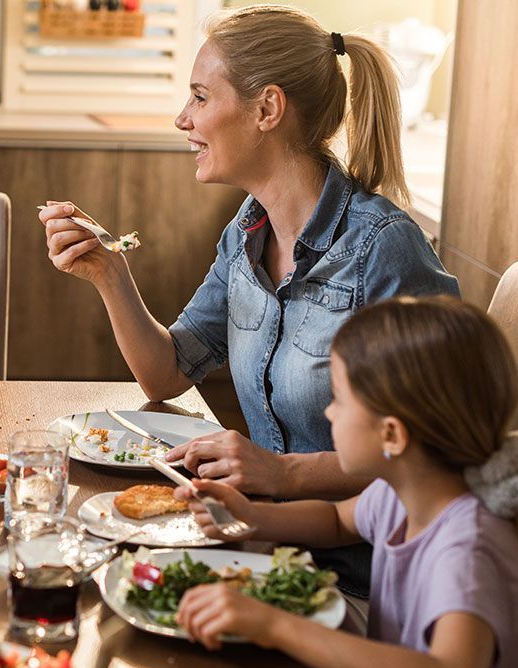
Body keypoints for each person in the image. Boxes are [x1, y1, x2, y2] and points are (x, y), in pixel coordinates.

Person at [37, 6, 458, 593]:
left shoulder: (385, 251)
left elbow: (438, 448)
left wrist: (282, 472)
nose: (182, 118)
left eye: (201, 97)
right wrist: (110, 273)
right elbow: (167, 374)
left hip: (365, 580)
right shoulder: (247, 233)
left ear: (267, 109)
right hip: (264, 546)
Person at [172, 296, 518, 668]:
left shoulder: (469, 547)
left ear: (392, 435)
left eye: (339, 398)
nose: (330, 412)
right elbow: (336, 520)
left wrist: (276, 625)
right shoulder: (410, 492)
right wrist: (250, 517)